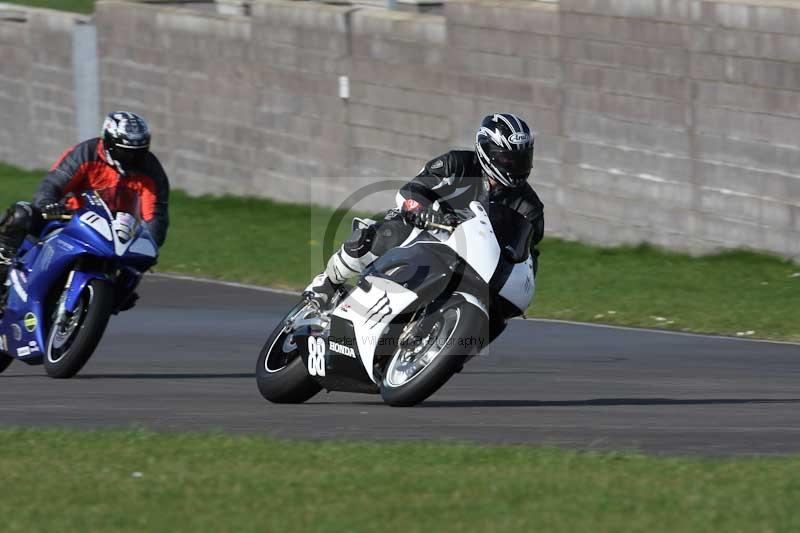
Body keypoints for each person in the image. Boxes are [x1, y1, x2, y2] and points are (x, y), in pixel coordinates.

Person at [305, 112, 545, 309]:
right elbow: (412, 189)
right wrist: (422, 211)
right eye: (508, 160)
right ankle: (327, 284)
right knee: (383, 235)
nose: (516, 168)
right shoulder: (457, 164)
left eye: (523, 159)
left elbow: (528, 257)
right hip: (428, 227)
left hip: (473, 259)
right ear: (487, 152)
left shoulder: (530, 206)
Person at [0, 111, 170, 314]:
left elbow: (156, 215)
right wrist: (47, 203)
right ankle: (3, 266)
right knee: (21, 214)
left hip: (117, 233)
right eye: (125, 152)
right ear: (108, 142)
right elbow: (53, 183)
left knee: (136, 269)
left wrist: (151, 242)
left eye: (139, 152)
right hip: (73, 218)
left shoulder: (151, 170)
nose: (132, 158)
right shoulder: (86, 153)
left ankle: (104, 301)